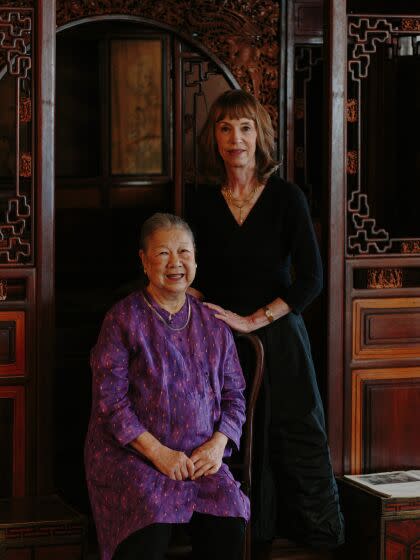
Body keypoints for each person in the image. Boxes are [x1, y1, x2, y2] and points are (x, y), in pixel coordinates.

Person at [188, 89, 344, 549]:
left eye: (245, 127)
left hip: (279, 337)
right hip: (218, 340)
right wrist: (187, 302)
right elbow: (190, 269)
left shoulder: (285, 197)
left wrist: (255, 319)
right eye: (224, 128)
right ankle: (238, 540)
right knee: (230, 442)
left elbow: (312, 279)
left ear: (260, 135)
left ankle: (310, 540)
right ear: (214, 139)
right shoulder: (198, 201)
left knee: (294, 434)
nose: (235, 138)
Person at [84, 213, 249, 560]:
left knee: (229, 515)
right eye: (162, 254)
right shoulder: (121, 320)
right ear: (144, 261)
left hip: (200, 459)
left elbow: (235, 396)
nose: (175, 263)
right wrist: (159, 454)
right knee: (150, 519)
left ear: (196, 259)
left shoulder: (214, 324)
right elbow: (110, 403)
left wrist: (218, 445)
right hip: (134, 458)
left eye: (184, 253)